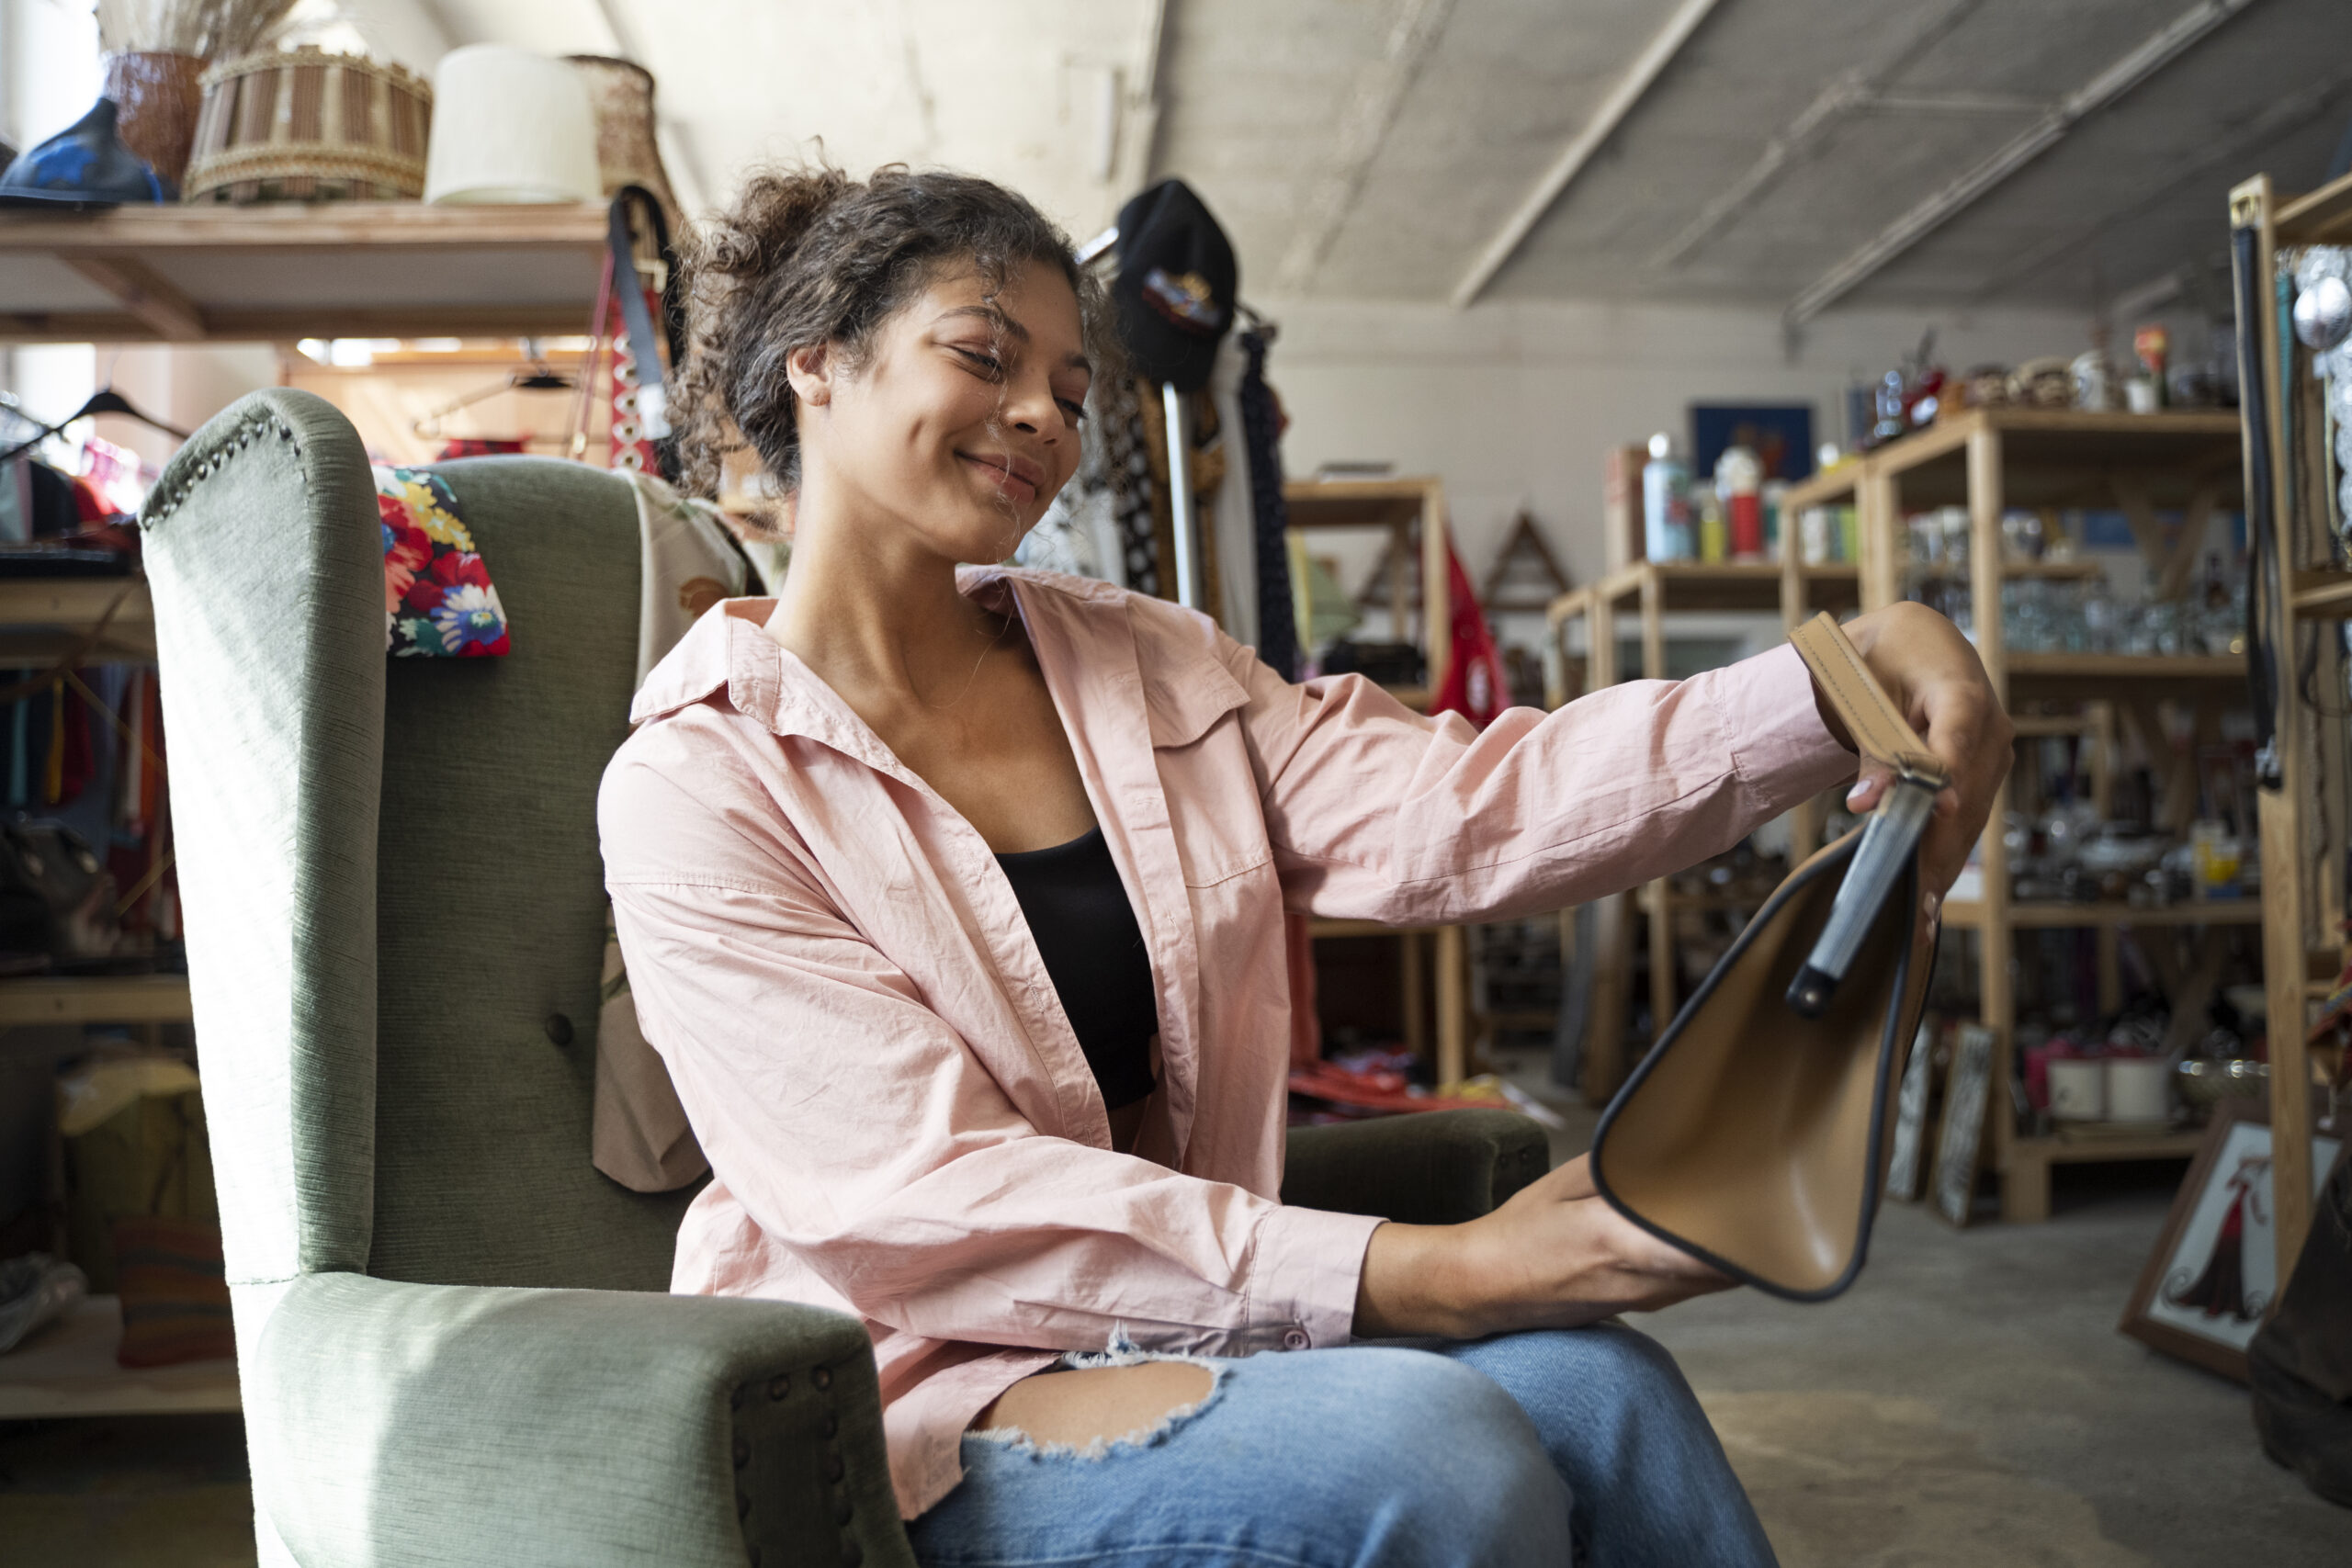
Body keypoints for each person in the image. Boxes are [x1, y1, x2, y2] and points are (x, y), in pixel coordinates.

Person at [599, 163, 2010, 1568]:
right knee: (1434, 1455)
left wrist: (1839, 678)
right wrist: (1442, 1270)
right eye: (984, 356)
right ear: (818, 365)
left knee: (1607, 1392)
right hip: (915, 1386)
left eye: (1073, 394)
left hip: (1168, 1322)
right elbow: (923, 1200)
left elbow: (1468, 808)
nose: (1043, 417)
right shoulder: (700, 787)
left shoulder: (1146, 665)